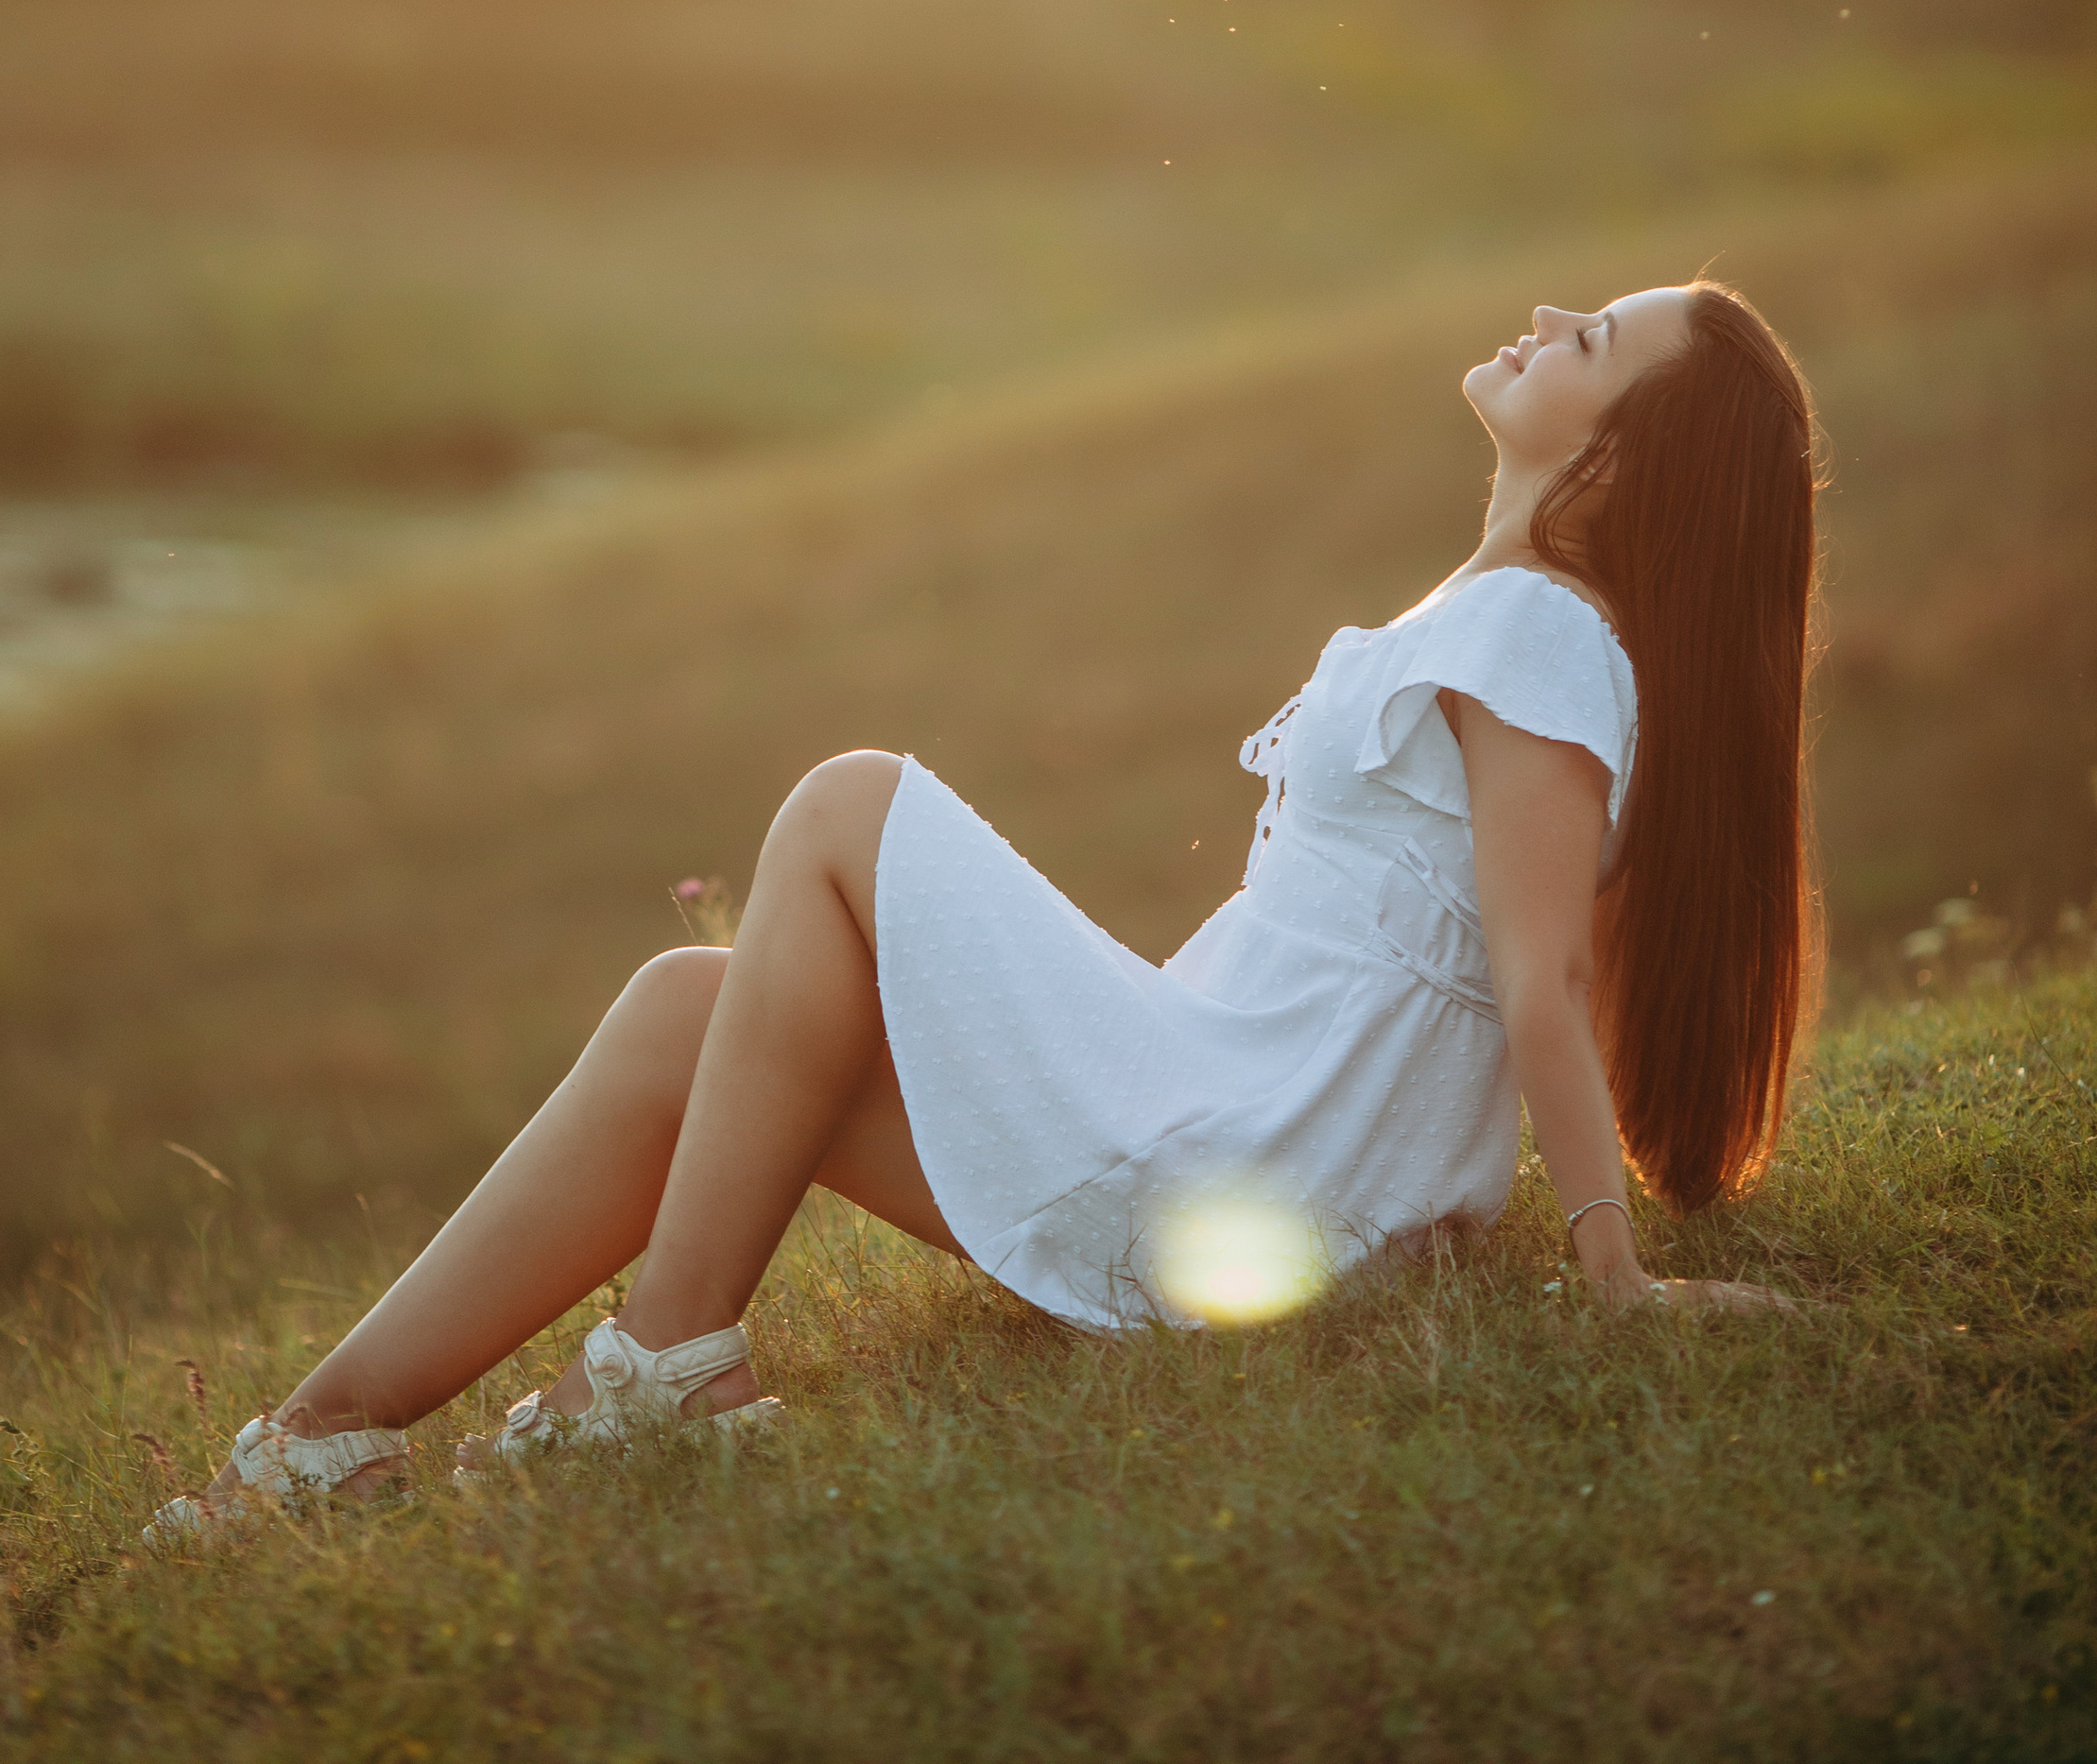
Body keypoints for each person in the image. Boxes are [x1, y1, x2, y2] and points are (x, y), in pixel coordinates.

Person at [150, 278, 1818, 1533]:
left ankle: (667, 1370)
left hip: (1259, 1174)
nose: (1548, 316)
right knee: (685, 1003)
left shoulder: (1538, 638)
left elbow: (1541, 977)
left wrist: (1613, 1274)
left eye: (1593, 337)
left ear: (1619, 461)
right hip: (1233, 1127)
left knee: (849, 801)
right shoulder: (1513, 622)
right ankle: (320, 1445)